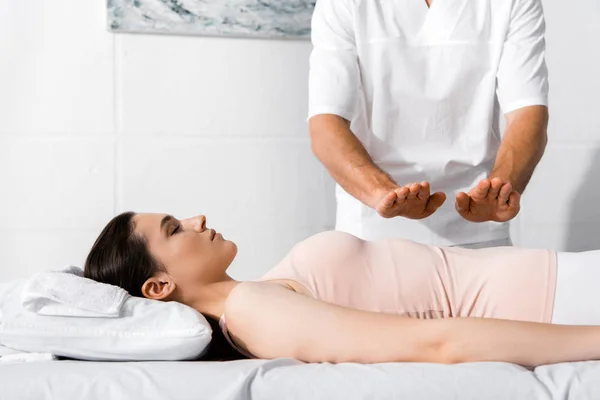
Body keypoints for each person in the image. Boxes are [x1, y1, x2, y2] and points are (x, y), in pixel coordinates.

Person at [85, 213, 600, 367]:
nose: (196, 219)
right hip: (568, 306)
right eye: (175, 229)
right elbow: (437, 343)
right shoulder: (255, 313)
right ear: (158, 286)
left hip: (569, 283)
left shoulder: (259, 294)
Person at [308, 0, 549, 248]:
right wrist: (382, 193)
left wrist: (498, 189)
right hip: (370, 230)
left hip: (479, 228)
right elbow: (326, 124)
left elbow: (528, 113)